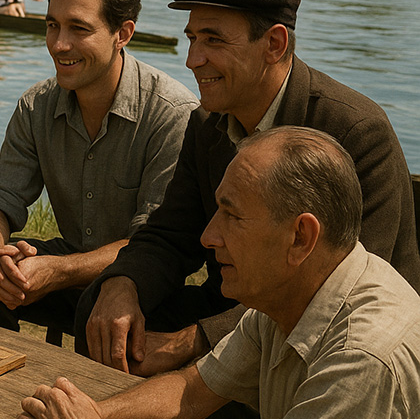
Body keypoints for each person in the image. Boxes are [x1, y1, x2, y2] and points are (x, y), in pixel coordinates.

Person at [78, 0, 420, 381]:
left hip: (337, 337)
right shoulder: (208, 124)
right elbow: (171, 234)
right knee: (102, 313)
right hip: (233, 308)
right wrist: (122, 284)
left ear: (274, 43)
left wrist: (195, 341)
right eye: (191, 39)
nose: (192, 60)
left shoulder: (356, 133)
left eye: (213, 40)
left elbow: (339, 291)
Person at [24, 127, 420, 419]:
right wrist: (96, 413)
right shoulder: (284, 298)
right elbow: (190, 390)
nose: (209, 236)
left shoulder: (361, 362)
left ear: (300, 237)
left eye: (232, 215)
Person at [0, 0, 198, 336]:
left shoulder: (172, 114)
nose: (59, 45)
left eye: (78, 29)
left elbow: (152, 244)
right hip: (69, 264)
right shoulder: (36, 105)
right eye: (53, 25)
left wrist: (58, 271)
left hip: (139, 281)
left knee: (102, 299)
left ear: (123, 33)